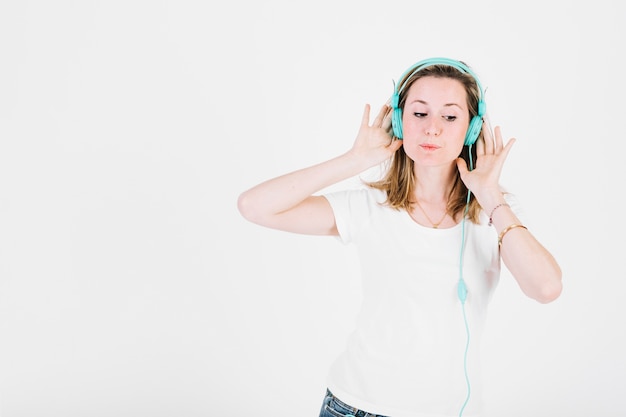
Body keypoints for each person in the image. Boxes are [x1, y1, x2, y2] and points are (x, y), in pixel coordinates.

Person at [237, 57, 562, 417]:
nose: (432, 129)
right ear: (399, 121)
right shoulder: (370, 206)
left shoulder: (496, 213)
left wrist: (490, 196)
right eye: (419, 114)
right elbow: (255, 207)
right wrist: (353, 160)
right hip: (356, 408)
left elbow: (545, 288)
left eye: (450, 117)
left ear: (472, 129)